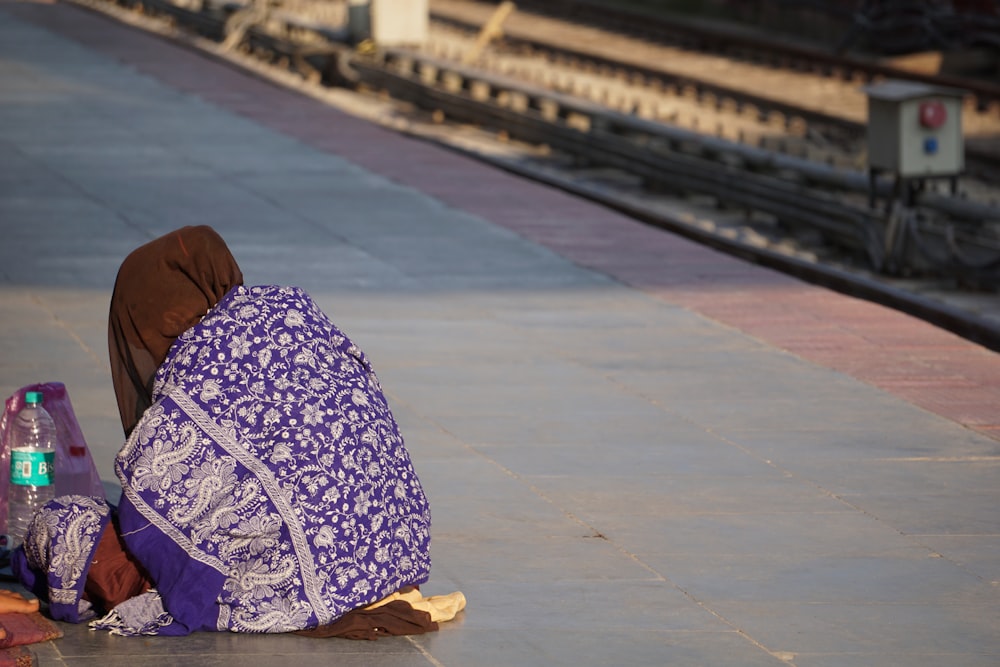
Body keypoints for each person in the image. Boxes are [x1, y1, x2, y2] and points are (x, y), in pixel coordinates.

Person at [13, 226, 463, 637]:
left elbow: (151, 502)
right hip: (396, 551)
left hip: (299, 586)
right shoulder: (290, 310)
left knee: (66, 526)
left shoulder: (198, 363)